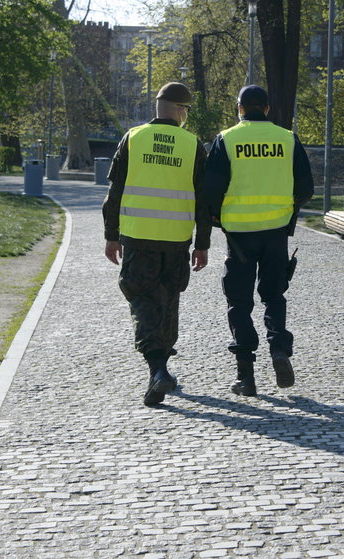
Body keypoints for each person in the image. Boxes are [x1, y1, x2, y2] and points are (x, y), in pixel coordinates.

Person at [102, 82, 211, 406]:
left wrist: (111, 235)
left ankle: (158, 369)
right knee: (167, 303)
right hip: (176, 240)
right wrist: (202, 244)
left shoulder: (133, 138)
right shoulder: (192, 144)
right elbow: (203, 202)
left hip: (138, 237)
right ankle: (161, 371)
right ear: (180, 110)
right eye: (186, 110)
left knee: (141, 299)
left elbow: (115, 194)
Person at [203, 85, 314, 396]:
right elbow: (306, 188)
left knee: (239, 302)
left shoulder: (227, 139)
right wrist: (286, 207)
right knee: (274, 295)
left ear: (239, 108)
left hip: (238, 234)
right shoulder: (287, 139)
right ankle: (279, 349)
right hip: (276, 231)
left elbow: (211, 189)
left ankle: (246, 376)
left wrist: (215, 218)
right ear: (267, 109)